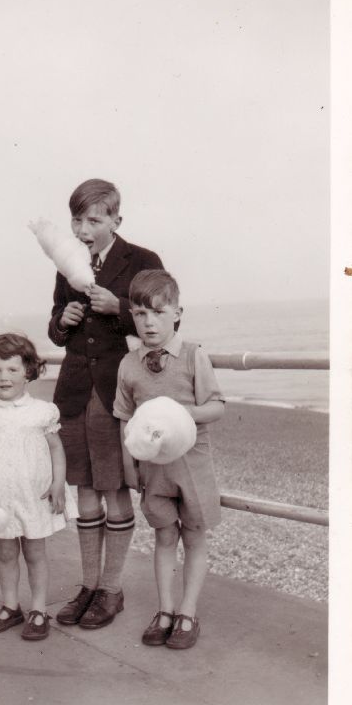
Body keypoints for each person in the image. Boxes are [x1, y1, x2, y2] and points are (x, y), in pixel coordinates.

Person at [49, 178, 164, 628]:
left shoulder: (143, 260)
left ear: (117, 220)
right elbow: (55, 329)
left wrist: (120, 307)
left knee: (114, 489)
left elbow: (166, 323)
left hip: (117, 391)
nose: (83, 229)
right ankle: (88, 585)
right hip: (75, 390)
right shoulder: (67, 261)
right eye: (77, 219)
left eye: (94, 220)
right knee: (84, 491)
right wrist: (63, 320)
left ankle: (111, 590)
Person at [113, 270, 225, 649]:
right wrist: (129, 465)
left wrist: (179, 415)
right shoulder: (128, 364)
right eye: (140, 314)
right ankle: (165, 610)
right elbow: (125, 418)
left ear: (177, 313)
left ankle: (187, 612)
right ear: (132, 316)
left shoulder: (194, 355)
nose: (149, 322)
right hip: (153, 471)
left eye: (159, 313)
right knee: (163, 536)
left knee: (193, 536)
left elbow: (216, 406)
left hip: (192, 467)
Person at [0, 332, 78, 641]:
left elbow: (56, 449)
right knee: (5, 554)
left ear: (28, 372)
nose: (4, 377)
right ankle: (10, 606)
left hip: (34, 495)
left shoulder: (42, 412)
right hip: (0, 498)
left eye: (13, 369)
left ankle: (39, 609)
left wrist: (58, 484)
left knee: (35, 554)